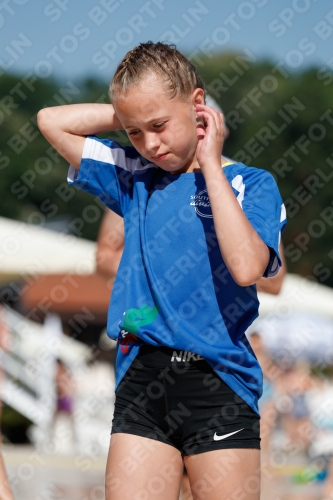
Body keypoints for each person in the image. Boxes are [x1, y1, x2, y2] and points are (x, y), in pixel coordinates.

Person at [37, 41, 287, 500]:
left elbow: (249, 266)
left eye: (159, 125)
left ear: (198, 106)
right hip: (141, 379)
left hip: (219, 381)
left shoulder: (250, 184)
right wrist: (131, 113)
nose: (150, 144)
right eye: (135, 133)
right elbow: (50, 121)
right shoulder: (135, 177)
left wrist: (210, 162)